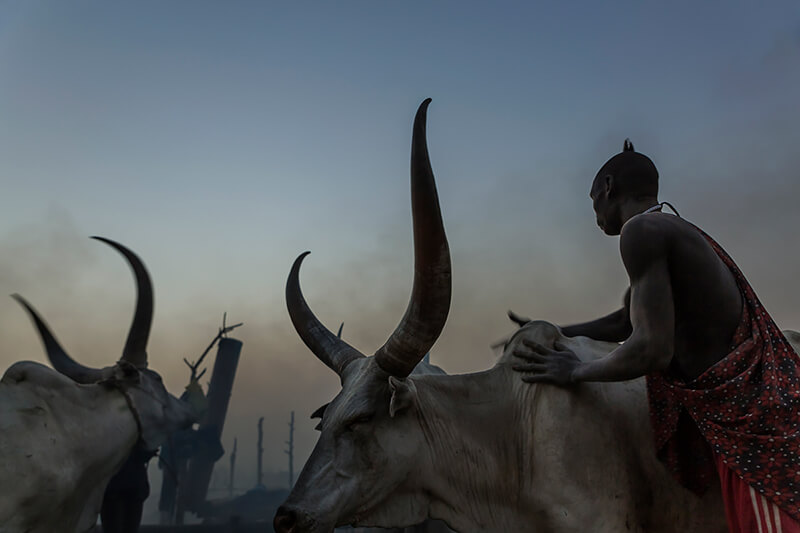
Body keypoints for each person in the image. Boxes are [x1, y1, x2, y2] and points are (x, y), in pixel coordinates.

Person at [511, 139, 800, 533]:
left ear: (608, 186)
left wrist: (575, 370)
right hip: (750, 420)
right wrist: (554, 331)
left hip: (759, 425)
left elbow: (651, 348)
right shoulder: (670, 229)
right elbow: (627, 323)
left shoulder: (641, 232)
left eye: (593, 196)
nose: (593, 209)